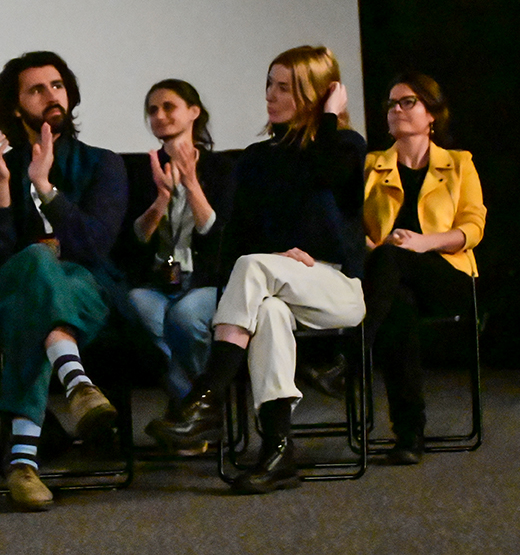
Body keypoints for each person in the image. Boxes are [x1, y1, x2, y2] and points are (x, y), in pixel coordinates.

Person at [150, 46, 367, 494]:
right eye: (270, 83)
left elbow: (323, 174)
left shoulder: (344, 146)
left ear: (314, 94)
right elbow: (237, 239)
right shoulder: (254, 158)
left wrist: (329, 116)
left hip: (336, 285)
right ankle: (278, 451)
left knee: (254, 269)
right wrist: (276, 256)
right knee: (266, 311)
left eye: (284, 87)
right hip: (272, 285)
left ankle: (207, 396)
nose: (270, 94)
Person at [0, 51, 128, 511]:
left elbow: (93, 245)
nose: (50, 95)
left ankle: (22, 461)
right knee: (35, 265)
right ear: (15, 106)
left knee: (36, 309)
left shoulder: (103, 164)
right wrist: (3, 185)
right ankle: (76, 382)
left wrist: (45, 187)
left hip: (86, 290)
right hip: (8, 293)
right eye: (36, 89)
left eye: (57, 85)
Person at [362, 72, 486, 465]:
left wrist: (423, 243)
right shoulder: (371, 165)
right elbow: (352, 226)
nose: (396, 110)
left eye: (407, 102)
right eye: (391, 104)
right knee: (396, 304)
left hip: (446, 275)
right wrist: (379, 247)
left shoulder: (459, 163)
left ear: (432, 113)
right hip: (388, 279)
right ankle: (409, 434)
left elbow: (473, 227)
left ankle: (353, 352)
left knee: (392, 260)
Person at [128, 80, 232, 453]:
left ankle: (188, 410)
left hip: (206, 280)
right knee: (136, 306)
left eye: (168, 107)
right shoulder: (144, 168)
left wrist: (191, 183)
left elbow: (218, 234)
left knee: (185, 317)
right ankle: (198, 407)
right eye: (152, 110)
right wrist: (161, 200)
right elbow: (136, 238)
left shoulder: (221, 168)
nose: (159, 116)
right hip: (157, 281)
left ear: (193, 112)